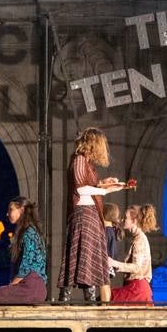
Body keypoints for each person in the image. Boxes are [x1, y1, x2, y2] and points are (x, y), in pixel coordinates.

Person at [56, 127, 124, 302]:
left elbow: (89, 185)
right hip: (83, 214)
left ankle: (91, 302)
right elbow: (81, 188)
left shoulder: (87, 163)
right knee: (79, 255)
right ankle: (65, 300)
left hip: (92, 214)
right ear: (93, 144)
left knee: (89, 259)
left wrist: (104, 184)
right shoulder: (79, 160)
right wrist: (104, 191)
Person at [0, 196, 48, 304]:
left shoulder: (29, 233)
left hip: (31, 286)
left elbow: (26, 267)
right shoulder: (22, 234)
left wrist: (10, 286)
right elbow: (0, 259)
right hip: (28, 286)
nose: (7, 214)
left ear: (21, 210)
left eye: (10, 210)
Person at [109, 204, 156, 302]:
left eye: (125, 218)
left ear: (134, 221)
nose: (122, 220)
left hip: (137, 289)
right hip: (136, 288)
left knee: (105, 299)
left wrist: (113, 263)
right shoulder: (139, 238)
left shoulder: (139, 240)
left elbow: (136, 267)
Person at [100, 202, 121, 301]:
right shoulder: (111, 230)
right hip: (109, 261)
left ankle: (105, 305)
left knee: (104, 284)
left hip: (106, 262)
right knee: (105, 284)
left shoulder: (107, 231)